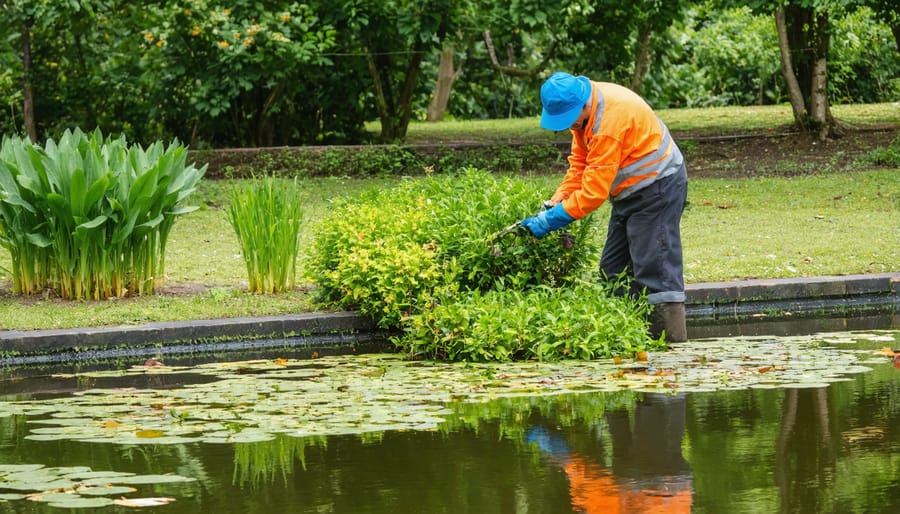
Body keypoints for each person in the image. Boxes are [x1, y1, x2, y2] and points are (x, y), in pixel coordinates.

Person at [520, 71, 689, 342]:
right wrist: (555, 202)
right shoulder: (585, 117)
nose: (568, 127)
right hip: (629, 193)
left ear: (583, 105)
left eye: (569, 120)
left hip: (658, 187)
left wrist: (552, 220)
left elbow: (593, 194)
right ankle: (626, 341)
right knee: (613, 271)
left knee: (655, 271)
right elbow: (580, 165)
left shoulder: (608, 122)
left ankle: (671, 351)